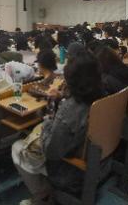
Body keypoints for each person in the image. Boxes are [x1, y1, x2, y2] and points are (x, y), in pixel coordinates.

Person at [12, 51, 104, 204]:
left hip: (69, 171)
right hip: (98, 161)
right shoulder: (102, 96)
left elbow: (51, 152)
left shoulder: (69, 110)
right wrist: (62, 96)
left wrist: (48, 119)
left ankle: (42, 196)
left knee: (17, 148)